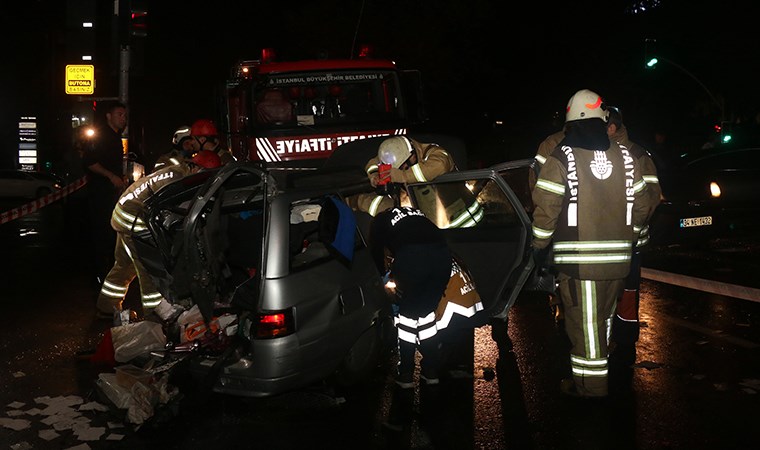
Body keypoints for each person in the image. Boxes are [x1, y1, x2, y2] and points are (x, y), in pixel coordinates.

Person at [531, 88, 650, 398]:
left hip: (580, 265)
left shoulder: (562, 157)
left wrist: (538, 247)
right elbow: (642, 204)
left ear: (571, 120)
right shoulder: (626, 155)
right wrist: (632, 237)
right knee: (604, 323)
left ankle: (591, 393)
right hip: (619, 262)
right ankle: (597, 381)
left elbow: (546, 209)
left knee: (585, 332)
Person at [95, 150, 223, 320]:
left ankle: (106, 306)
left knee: (125, 265)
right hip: (133, 220)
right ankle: (155, 315)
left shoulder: (178, 172)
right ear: (194, 167)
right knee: (149, 267)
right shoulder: (177, 181)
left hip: (123, 212)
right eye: (205, 175)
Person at [369, 206, 452, 389]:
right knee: (426, 316)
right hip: (443, 256)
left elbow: (376, 253)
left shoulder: (379, 223)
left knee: (407, 319)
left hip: (413, 257)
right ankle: (431, 371)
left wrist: (382, 277)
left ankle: (406, 374)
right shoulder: (414, 211)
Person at [606, 106, 662, 364]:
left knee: (627, 292)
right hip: (607, 242)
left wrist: (630, 232)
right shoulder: (603, 153)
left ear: (613, 127)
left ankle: (626, 343)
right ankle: (610, 340)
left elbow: (650, 200)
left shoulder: (638, 155)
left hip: (630, 242)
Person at [347, 135, 456, 217]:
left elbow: (440, 165)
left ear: (412, 157)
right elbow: (374, 162)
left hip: (452, 215)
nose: (400, 170)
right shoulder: (398, 154)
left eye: (402, 167)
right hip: (419, 215)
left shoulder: (433, 153)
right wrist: (375, 174)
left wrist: (403, 175)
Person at [82, 101, 128, 284]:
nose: (123, 118)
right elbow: (89, 162)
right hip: (100, 193)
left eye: (124, 115)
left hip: (111, 193)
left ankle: (108, 271)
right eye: (119, 114)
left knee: (111, 232)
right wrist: (111, 176)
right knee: (102, 232)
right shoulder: (101, 136)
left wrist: (120, 179)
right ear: (109, 116)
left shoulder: (116, 138)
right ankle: (101, 274)